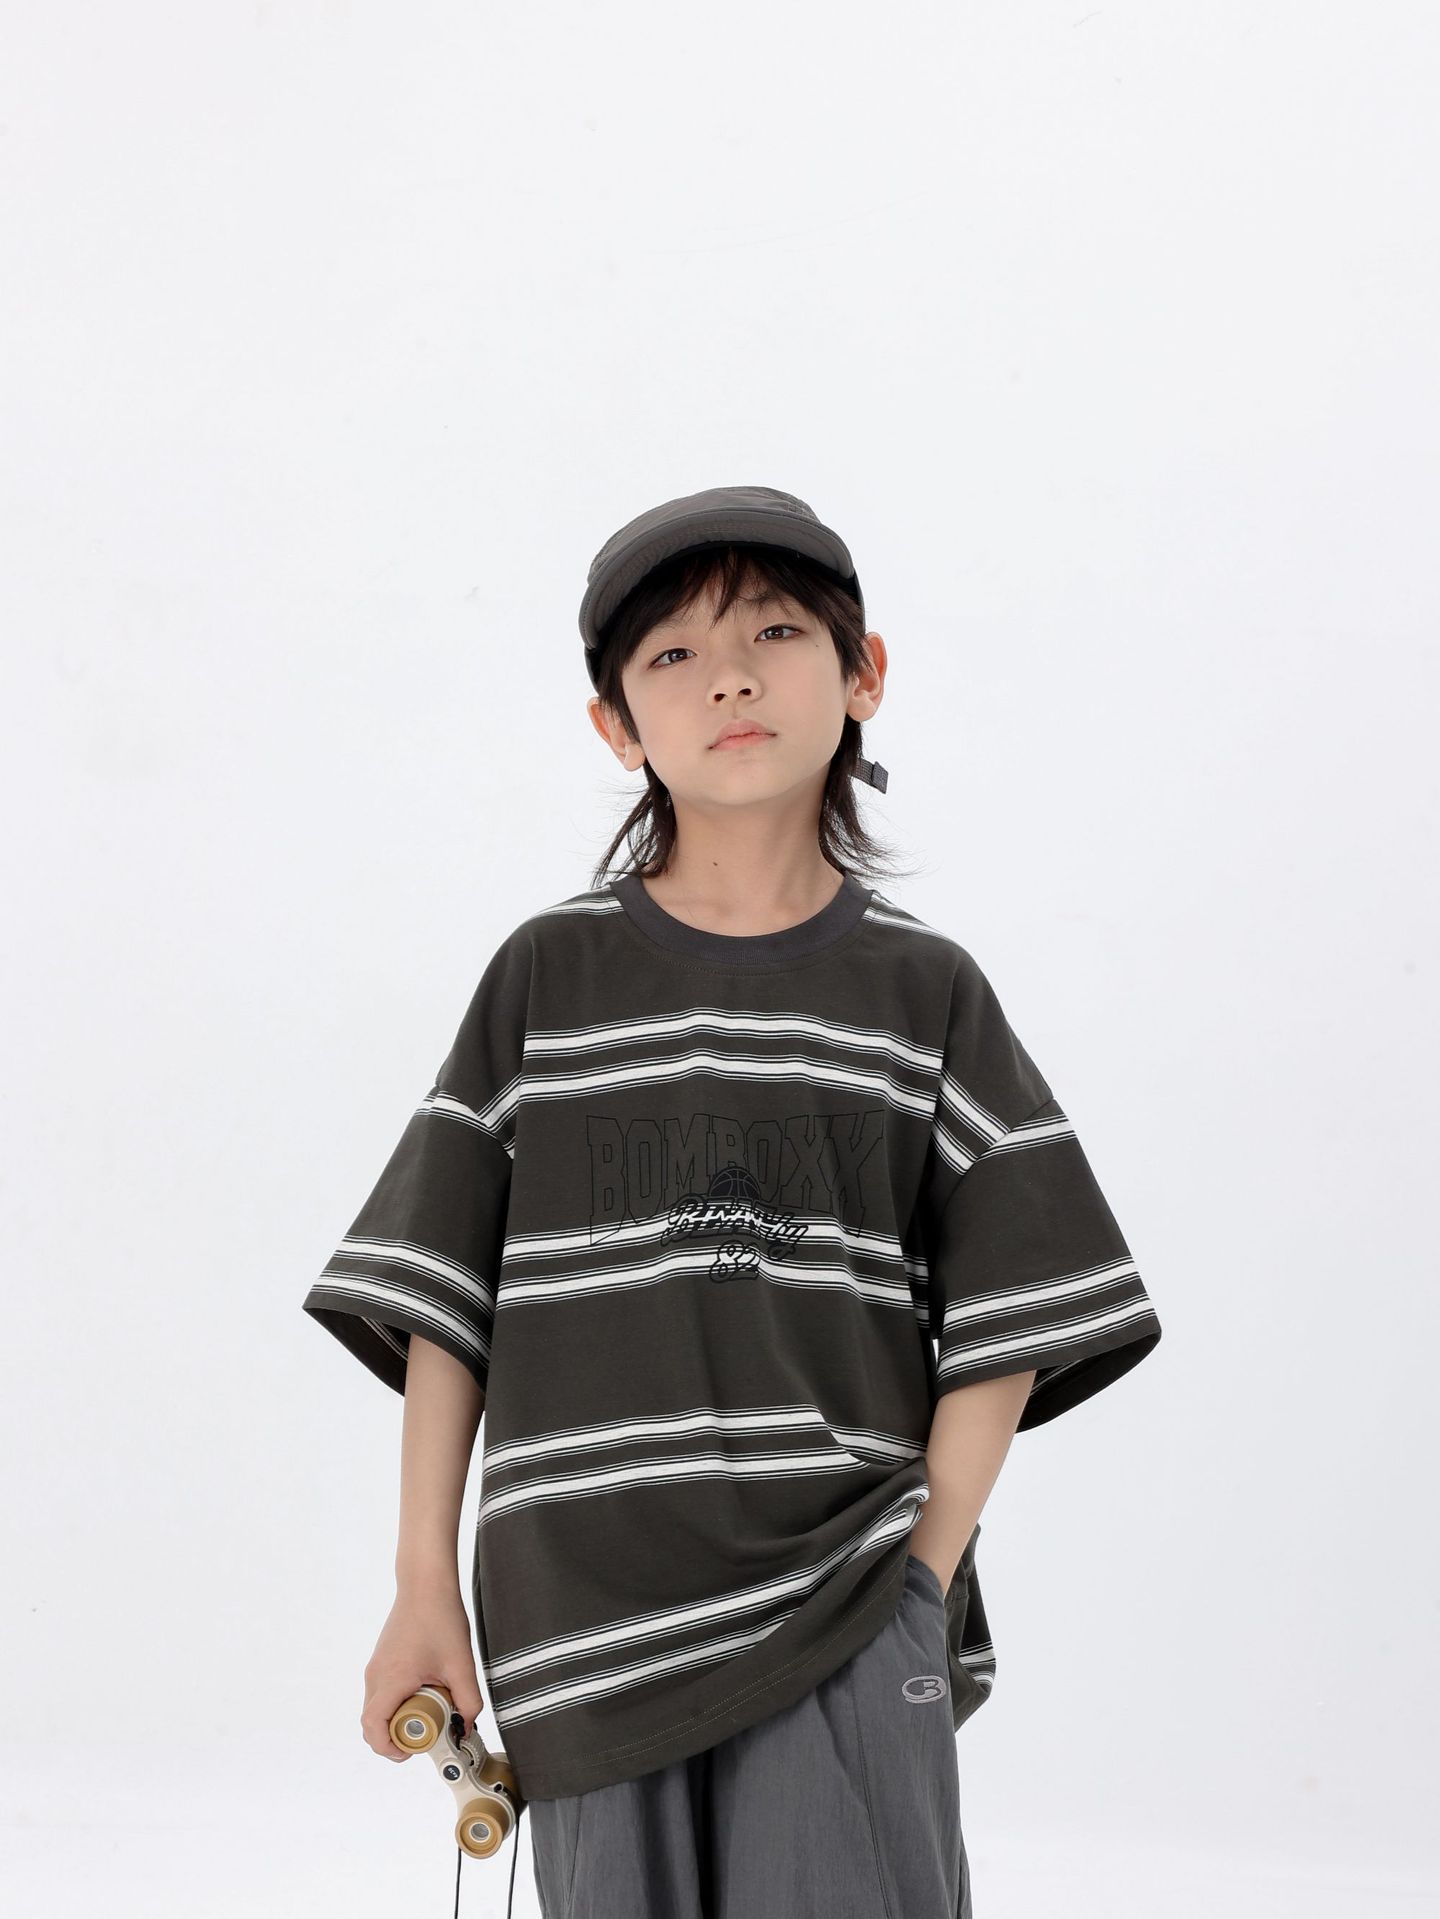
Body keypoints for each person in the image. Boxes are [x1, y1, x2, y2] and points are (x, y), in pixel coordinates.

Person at [301, 484, 1164, 1919]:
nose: (732, 679)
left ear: (864, 672)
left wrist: (920, 1573)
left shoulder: (923, 989)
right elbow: (448, 1306)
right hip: (584, 1622)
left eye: (773, 632)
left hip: (843, 1601)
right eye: (674, 656)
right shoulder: (548, 980)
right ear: (616, 726)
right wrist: (422, 1588)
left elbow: (1015, 1301)